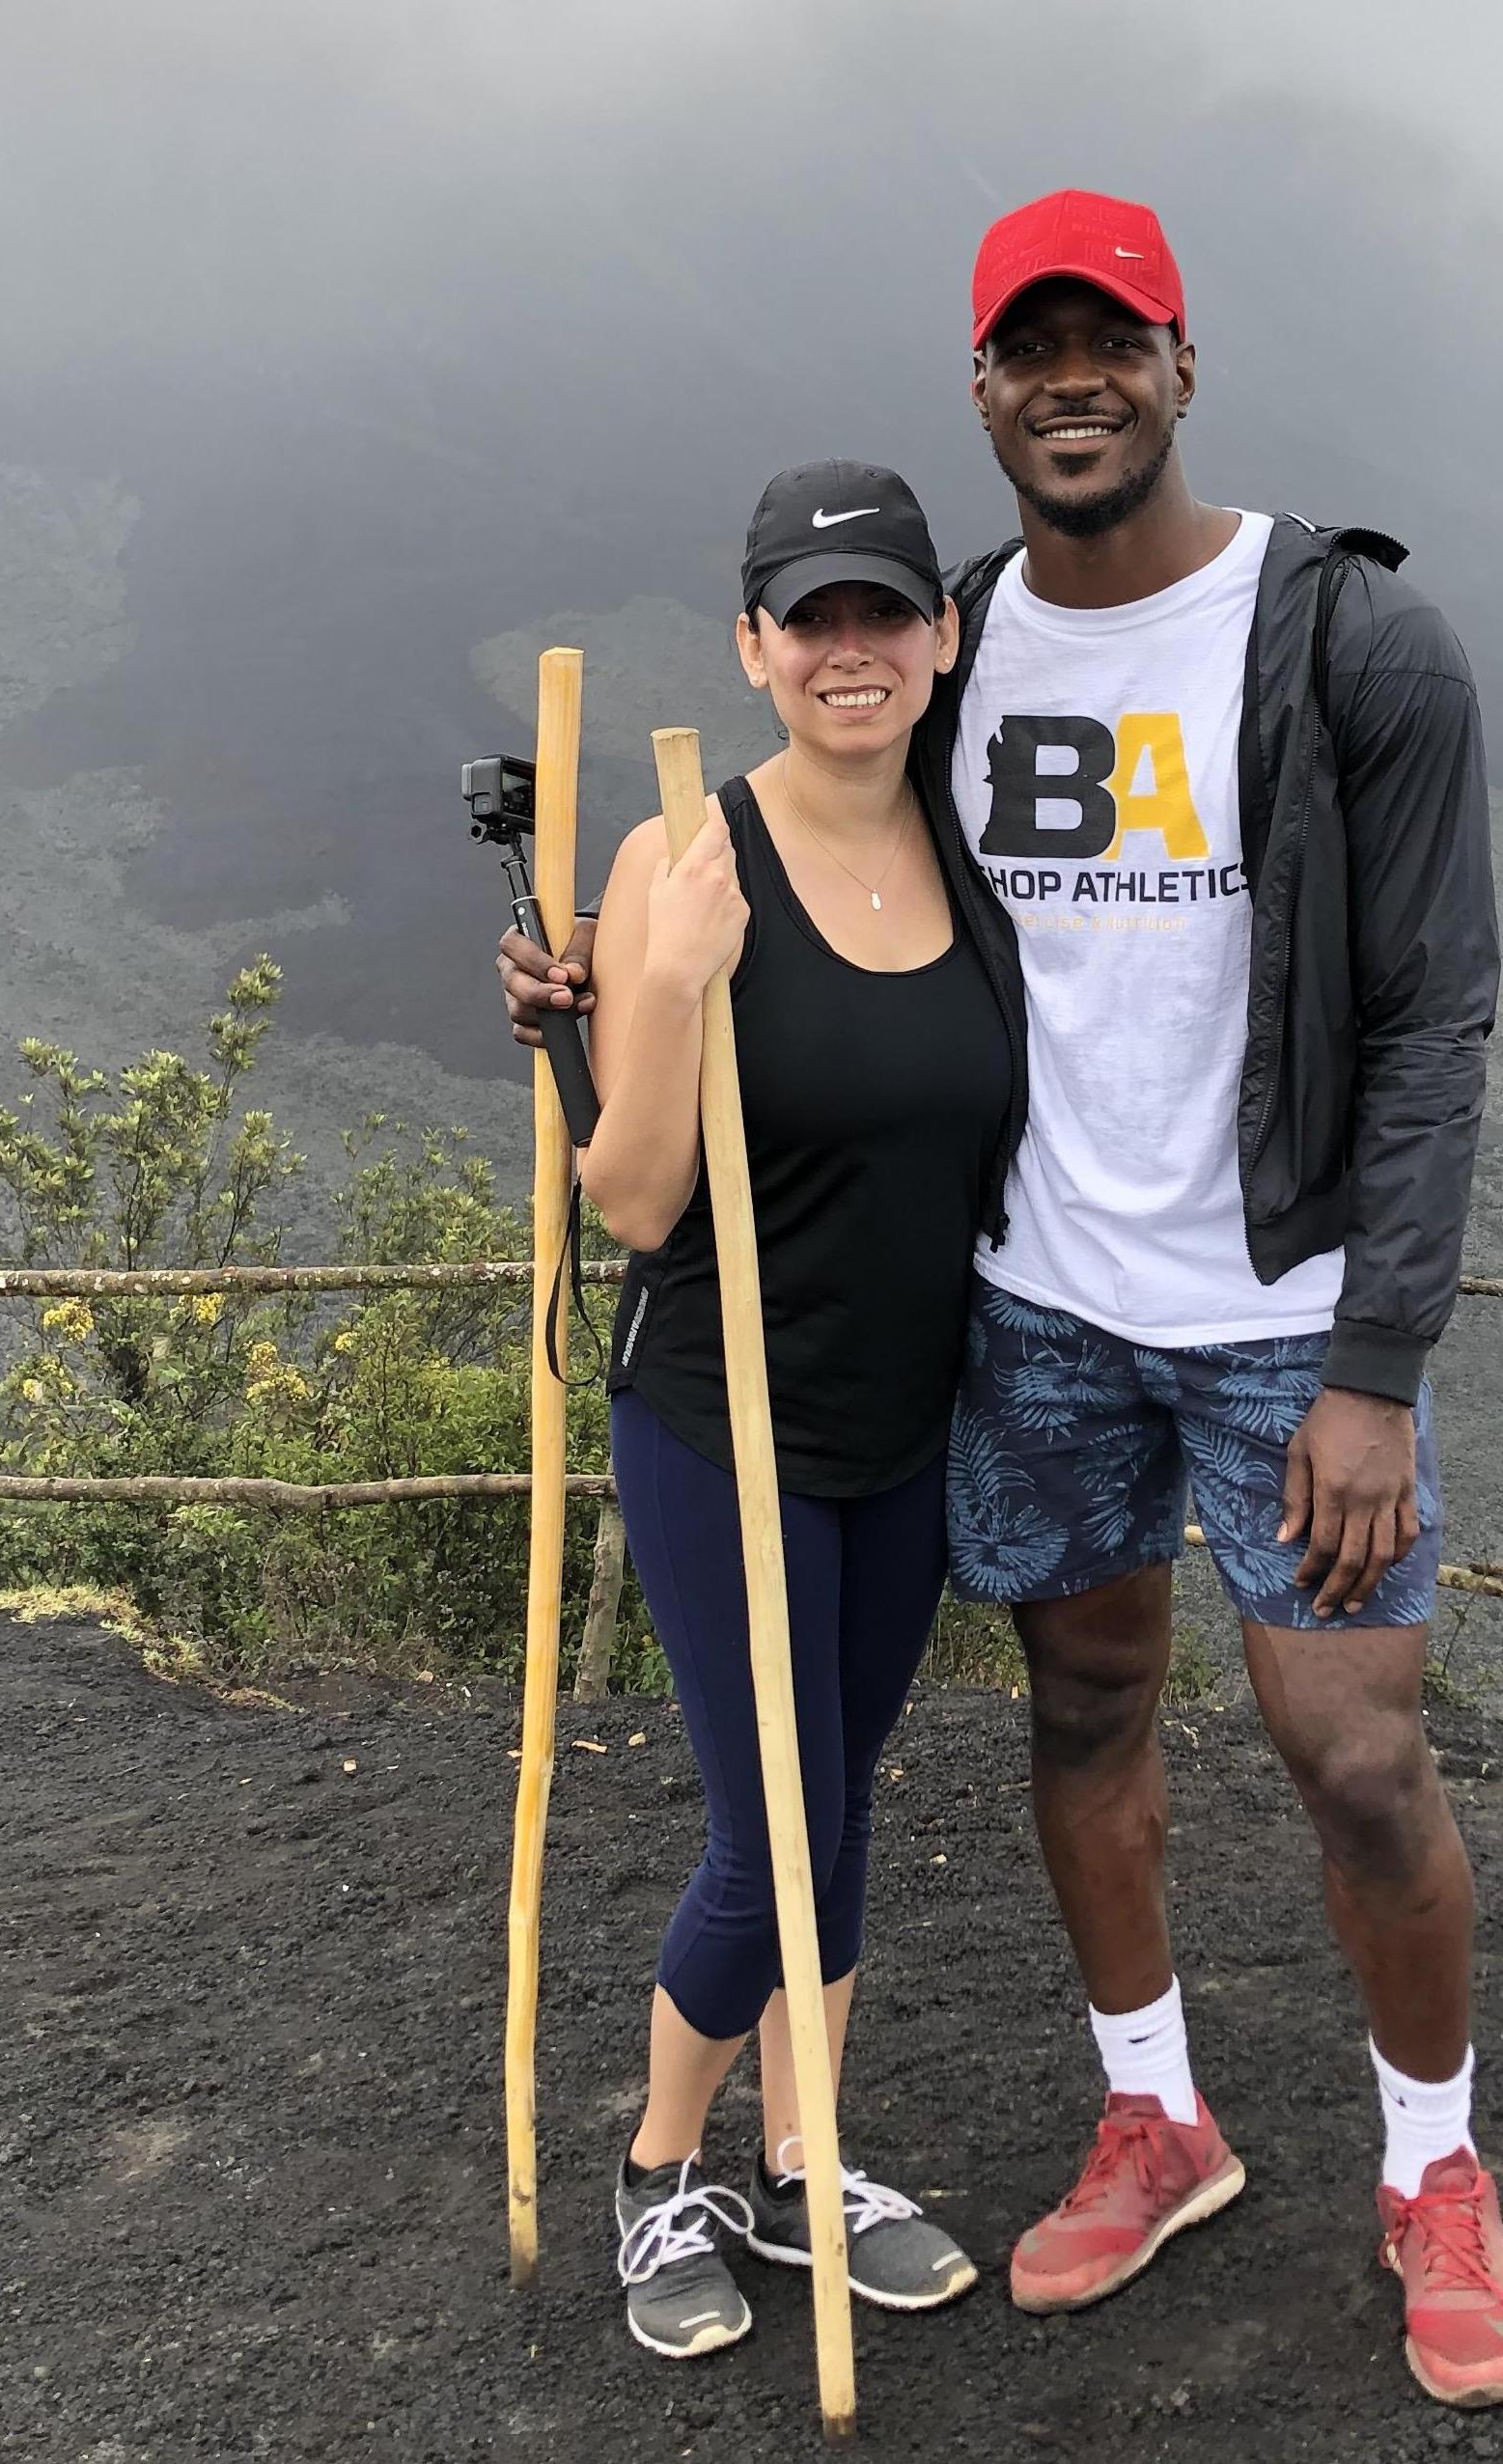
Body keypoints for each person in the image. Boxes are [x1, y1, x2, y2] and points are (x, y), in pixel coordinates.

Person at [505, 194, 1503, 2411]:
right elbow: (797, 914)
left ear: (1186, 363)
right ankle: (1152, 2114)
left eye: (1115, 340)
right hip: (1040, 1313)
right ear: (983, 388)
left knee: (1354, 1753)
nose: (1073, 378)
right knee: (1081, 1718)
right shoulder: (964, 643)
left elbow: (1439, 1016)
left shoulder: (1352, 640)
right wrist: (592, 984)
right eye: (1028, 347)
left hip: (1284, 1311)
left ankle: (1435, 2175)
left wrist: (1380, 1364)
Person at [558, 458, 1024, 2362]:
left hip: (901, 1438)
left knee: (832, 1808)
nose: (852, 650)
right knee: (784, 1839)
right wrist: (663, 984)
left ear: (942, 639)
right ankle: (668, 2166)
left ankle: (801, 2165)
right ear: (754, 647)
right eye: (810, 618)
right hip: (719, 1426)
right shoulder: (682, 863)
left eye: (884, 614)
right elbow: (636, 1196)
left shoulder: (974, 844)